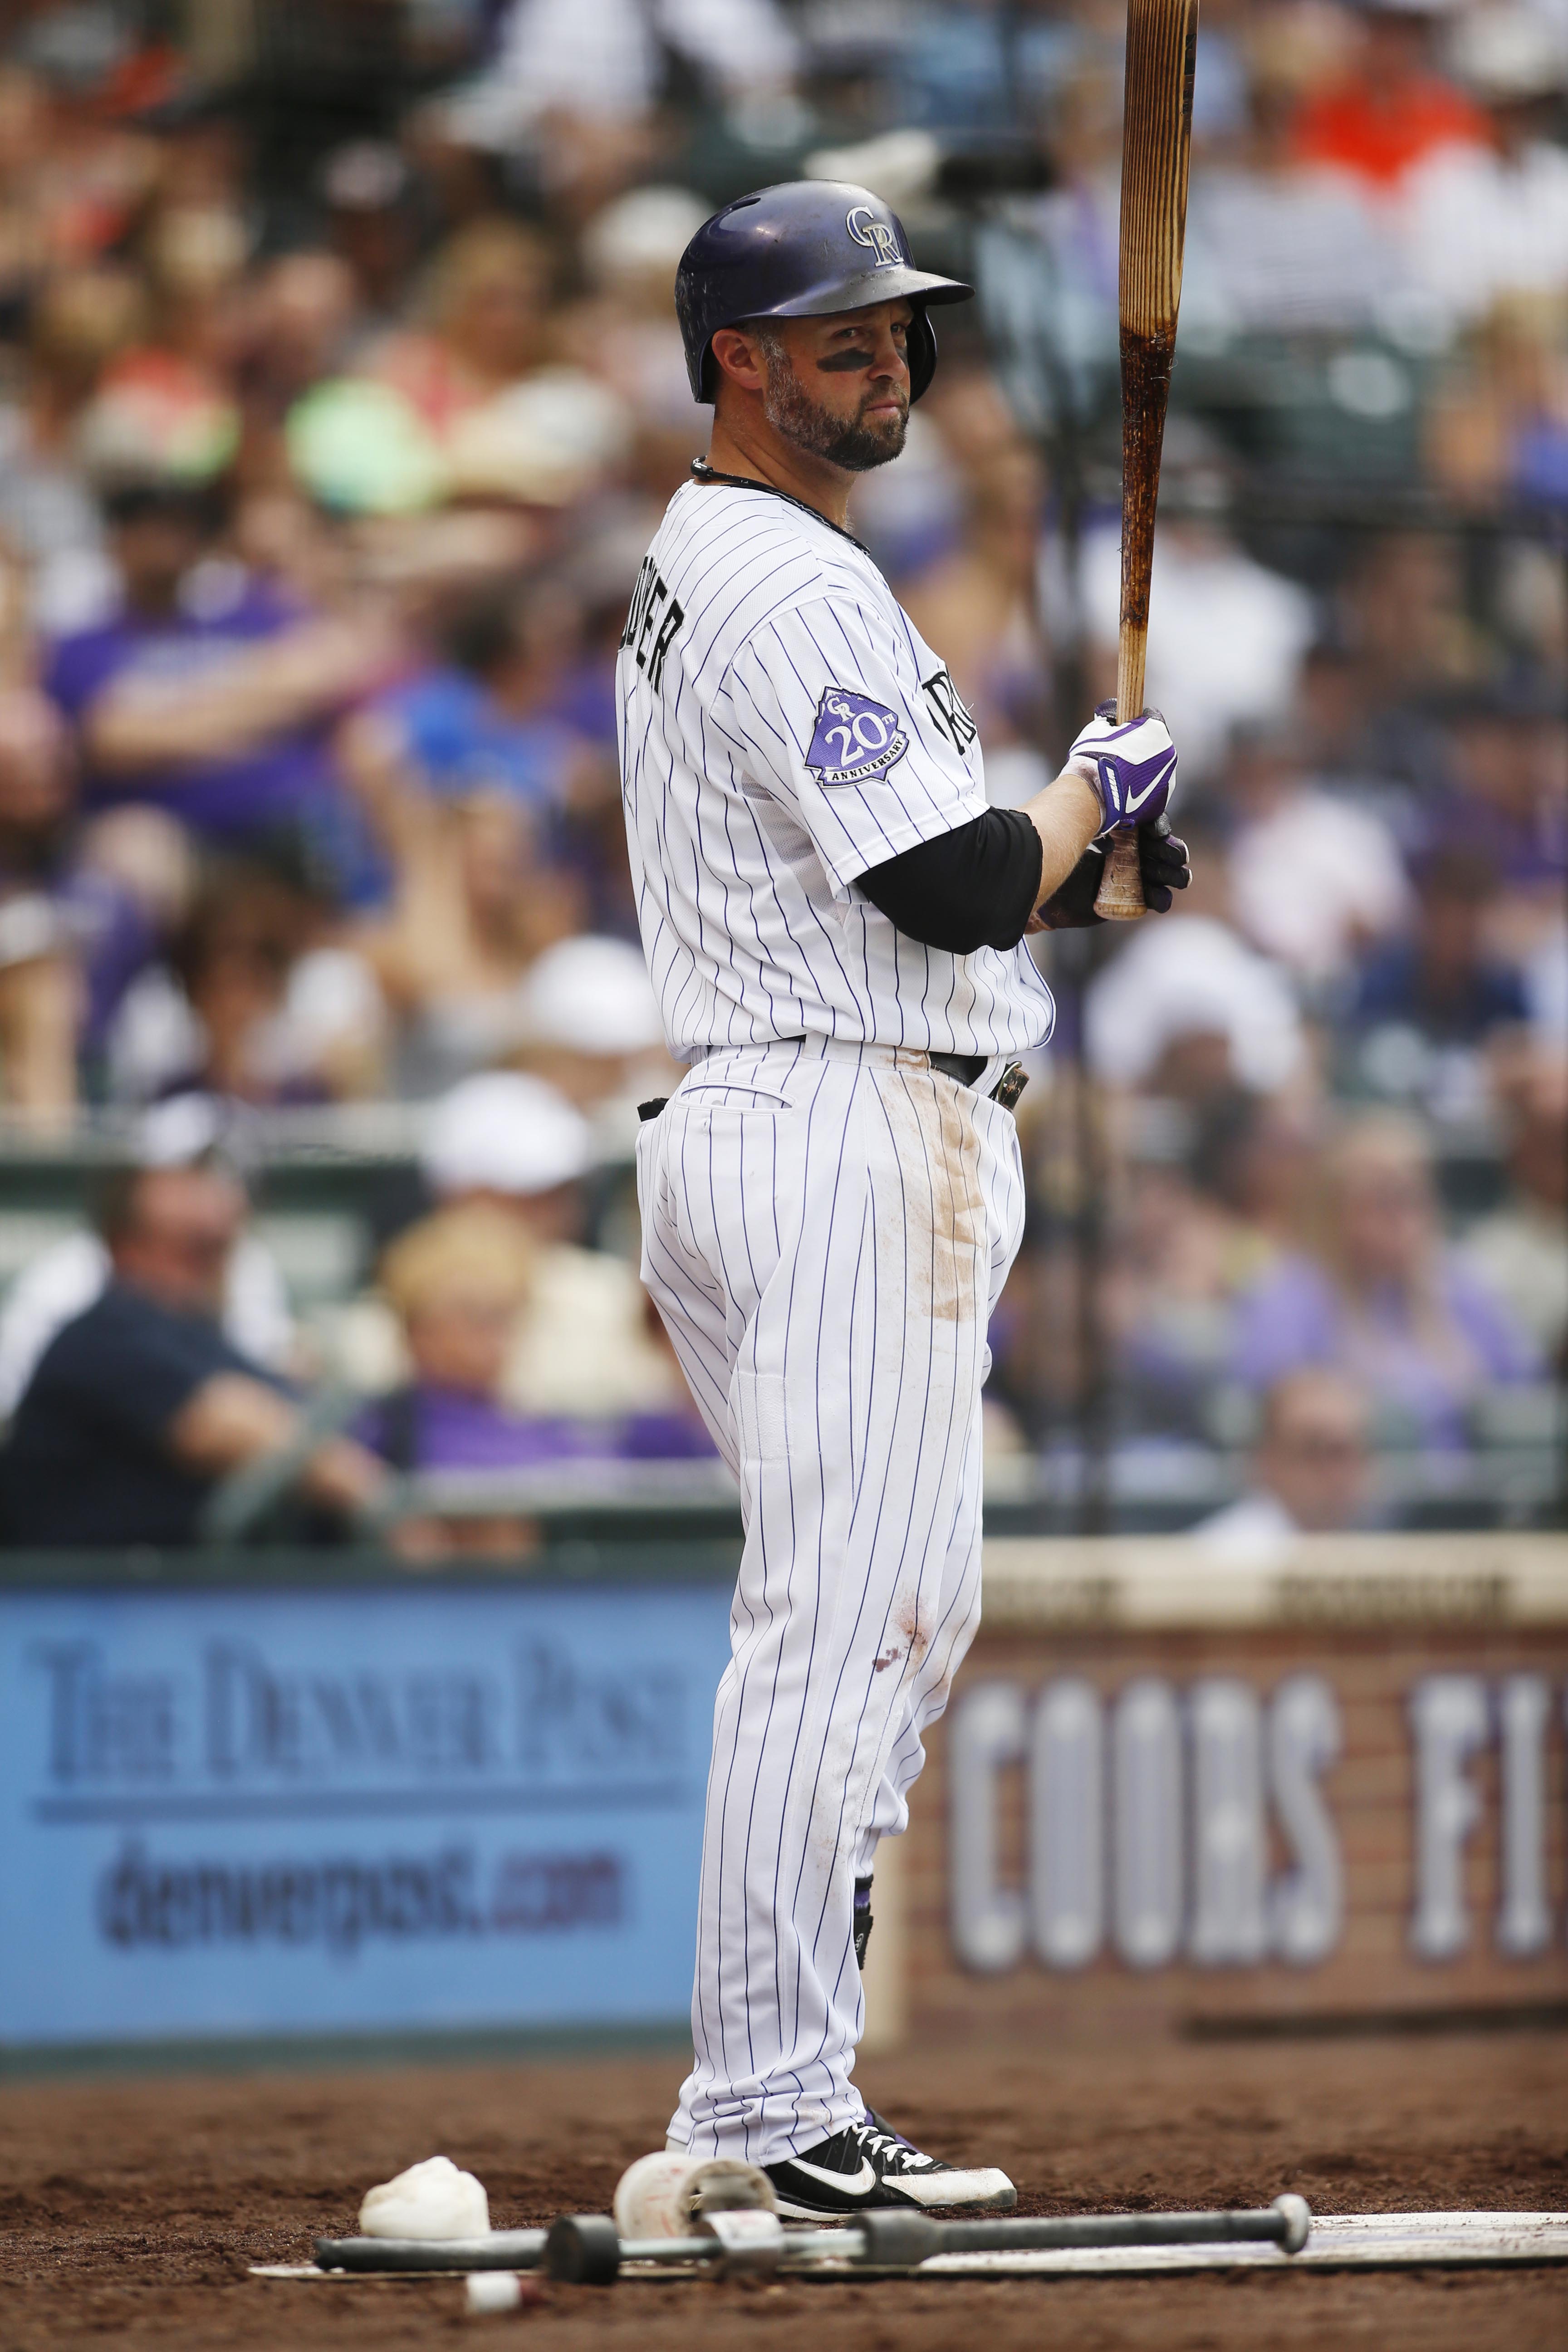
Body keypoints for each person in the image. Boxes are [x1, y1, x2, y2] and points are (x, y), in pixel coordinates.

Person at [622, 182, 1190, 2215]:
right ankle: (765, 2109)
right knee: (838, 1632)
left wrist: (1077, 864)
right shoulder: (784, 578)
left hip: (815, 1100)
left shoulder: (752, 554)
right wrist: (1091, 791)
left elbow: (941, 894)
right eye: (836, 335)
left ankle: (781, 2097)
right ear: (735, 360)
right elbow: (948, 883)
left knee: (893, 1629)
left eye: (892, 330)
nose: (884, 361)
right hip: (835, 1131)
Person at [0, 1156, 387, 1547]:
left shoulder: (203, 1338)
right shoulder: (102, 1335)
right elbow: (226, 1424)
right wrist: (382, 1504)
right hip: (89, 1581)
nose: (210, 1207)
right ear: (125, 1239)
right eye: (192, 1241)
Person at [1230, 1110, 1539, 1454]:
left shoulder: (1460, 1286)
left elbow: (1527, 1390)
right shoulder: (1288, 1295)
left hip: (1470, 1483)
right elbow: (1277, 1413)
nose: (1402, 1218)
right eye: (1382, 1199)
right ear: (1332, 1206)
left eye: (1413, 1196)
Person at [1191, 1369, 1375, 1559]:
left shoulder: (1376, 1548)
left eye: (1344, 1453)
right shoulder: (1218, 1556)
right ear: (1266, 1458)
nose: (1334, 1472)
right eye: (1313, 1451)